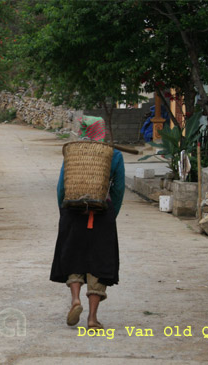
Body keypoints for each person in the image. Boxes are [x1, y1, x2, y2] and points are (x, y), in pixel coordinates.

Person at [50, 121, 125, 330]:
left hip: (73, 213)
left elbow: (60, 187)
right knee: (99, 263)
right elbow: (118, 189)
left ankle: (75, 300)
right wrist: (111, 213)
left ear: (84, 132)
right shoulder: (113, 154)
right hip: (101, 214)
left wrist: (64, 212)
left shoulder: (73, 152)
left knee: (74, 258)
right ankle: (92, 318)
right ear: (103, 133)